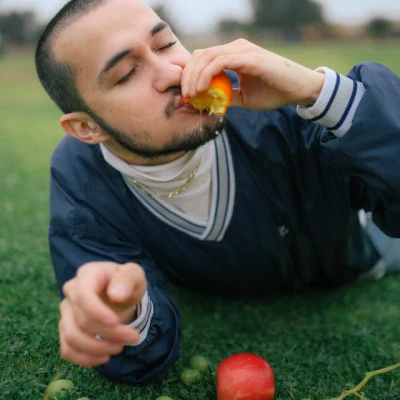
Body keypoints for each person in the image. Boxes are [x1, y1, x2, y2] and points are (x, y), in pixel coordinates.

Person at [35, 0, 400, 384]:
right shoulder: (81, 178)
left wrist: (318, 91)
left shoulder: (276, 106)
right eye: (127, 74)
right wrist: (124, 314)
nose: (172, 72)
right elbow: (131, 344)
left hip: (367, 246)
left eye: (164, 45)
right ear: (87, 128)